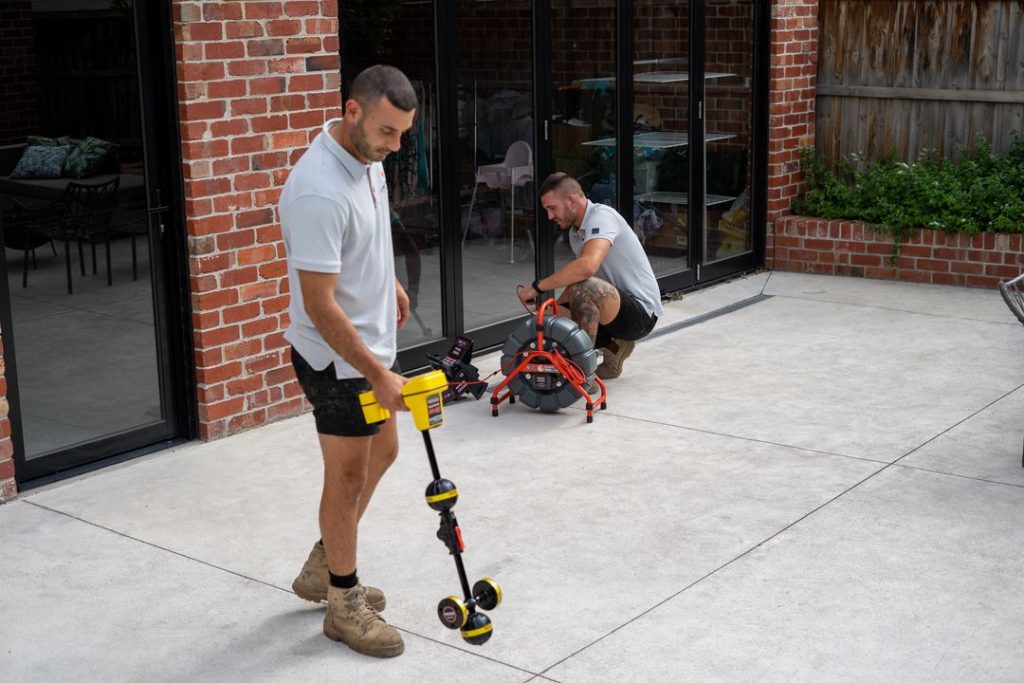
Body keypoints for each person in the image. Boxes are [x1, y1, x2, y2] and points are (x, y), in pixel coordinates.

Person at [280, 65, 417, 658]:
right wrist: (376, 371)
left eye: (403, 133)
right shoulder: (316, 190)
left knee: (384, 450)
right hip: (336, 358)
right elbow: (319, 305)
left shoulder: (367, 161)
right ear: (352, 111)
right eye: (388, 131)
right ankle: (341, 600)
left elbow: (367, 233)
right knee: (349, 475)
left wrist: (387, 283)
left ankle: (322, 561)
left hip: (369, 344)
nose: (395, 145)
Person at [518, 172, 662, 380]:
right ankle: (615, 347)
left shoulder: (602, 217)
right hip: (614, 309)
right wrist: (551, 314)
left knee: (584, 291)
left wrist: (537, 286)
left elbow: (586, 268)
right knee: (551, 318)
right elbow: (578, 277)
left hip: (641, 314)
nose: (549, 216)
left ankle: (581, 375)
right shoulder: (575, 232)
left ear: (571, 200)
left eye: (552, 208)